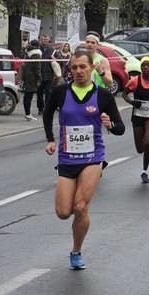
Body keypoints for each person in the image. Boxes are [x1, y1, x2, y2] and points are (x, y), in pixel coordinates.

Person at [43, 49, 125, 270]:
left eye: (83, 67)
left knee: (80, 206)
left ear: (91, 68)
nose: (78, 71)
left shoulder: (103, 95)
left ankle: (76, 251)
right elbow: (47, 112)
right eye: (74, 67)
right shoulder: (61, 92)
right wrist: (50, 139)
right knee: (63, 212)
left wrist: (110, 124)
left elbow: (120, 128)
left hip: (92, 157)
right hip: (67, 158)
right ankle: (79, 225)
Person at [123, 56, 149, 184]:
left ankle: (144, 171)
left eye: (148, 65)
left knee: (147, 142)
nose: (146, 68)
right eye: (143, 66)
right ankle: (143, 154)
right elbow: (124, 94)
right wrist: (132, 102)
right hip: (137, 116)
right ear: (141, 68)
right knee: (140, 149)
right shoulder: (135, 81)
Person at [18, 39, 42, 120]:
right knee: (29, 96)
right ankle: (28, 114)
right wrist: (39, 78)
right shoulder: (37, 54)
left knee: (26, 96)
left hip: (26, 76)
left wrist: (24, 47)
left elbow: (20, 55)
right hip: (32, 78)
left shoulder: (28, 52)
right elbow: (37, 68)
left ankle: (27, 113)